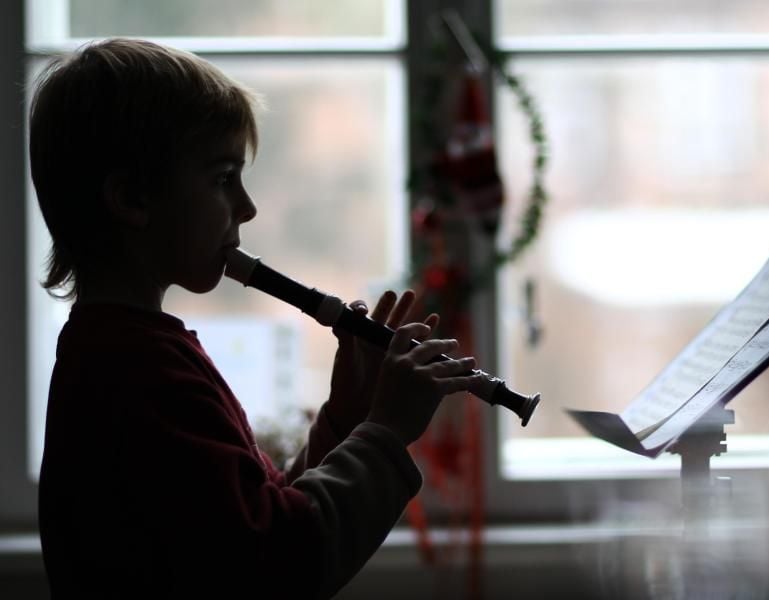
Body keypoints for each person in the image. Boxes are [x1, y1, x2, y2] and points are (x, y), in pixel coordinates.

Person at [30, 38, 481, 598]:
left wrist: (346, 418)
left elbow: (255, 520)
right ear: (131, 199)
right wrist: (387, 431)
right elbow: (275, 564)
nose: (246, 207)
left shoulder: (128, 351)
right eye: (222, 178)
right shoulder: (137, 372)